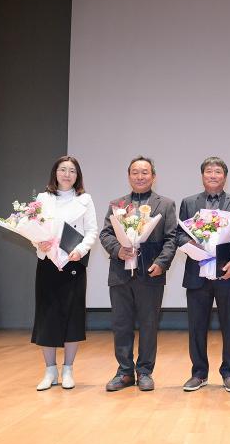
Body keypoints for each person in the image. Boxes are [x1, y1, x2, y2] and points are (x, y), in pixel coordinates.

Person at [99, 156, 177, 392]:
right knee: (121, 324)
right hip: (120, 273)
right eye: (135, 172)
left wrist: (162, 263)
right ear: (129, 176)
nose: (140, 176)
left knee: (149, 324)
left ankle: (144, 371)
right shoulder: (117, 204)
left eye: (145, 172)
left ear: (153, 176)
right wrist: (118, 250)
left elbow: (172, 238)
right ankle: (124, 372)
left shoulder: (165, 204)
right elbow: (105, 234)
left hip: (150, 273)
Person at [176, 157, 230, 393]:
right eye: (209, 171)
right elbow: (179, 234)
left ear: (225, 176)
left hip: (227, 272)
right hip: (197, 271)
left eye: (218, 171)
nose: (213, 175)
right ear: (202, 176)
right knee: (197, 326)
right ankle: (199, 373)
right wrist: (191, 245)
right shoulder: (189, 202)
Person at [32, 156, 98, 391]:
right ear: (55, 173)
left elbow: (92, 231)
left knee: (72, 315)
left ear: (77, 175)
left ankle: (68, 369)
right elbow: (34, 228)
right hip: (48, 263)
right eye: (63, 170)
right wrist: (38, 242)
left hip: (73, 262)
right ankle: (50, 370)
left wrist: (80, 250)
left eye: (72, 171)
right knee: (47, 315)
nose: (67, 174)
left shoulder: (84, 199)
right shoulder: (43, 198)